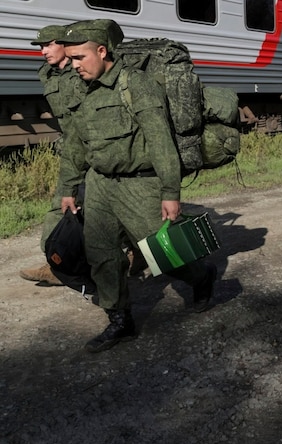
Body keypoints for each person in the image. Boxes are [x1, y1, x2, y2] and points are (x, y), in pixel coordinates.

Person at [56, 19, 217, 353]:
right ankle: (120, 321)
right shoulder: (80, 89)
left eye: (79, 57)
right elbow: (74, 143)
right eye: (70, 59)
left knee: (166, 253)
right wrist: (69, 187)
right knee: (102, 256)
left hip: (140, 185)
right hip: (99, 185)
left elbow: (160, 141)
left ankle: (202, 276)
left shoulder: (136, 84)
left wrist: (170, 192)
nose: (74, 65)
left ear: (102, 51)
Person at [19, 25, 86, 287]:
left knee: (105, 211)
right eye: (40, 46)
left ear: (65, 46)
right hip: (73, 149)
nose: (43, 51)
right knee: (62, 205)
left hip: (94, 150)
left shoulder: (82, 72)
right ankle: (56, 264)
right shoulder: (49, 74)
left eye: (48, 44)